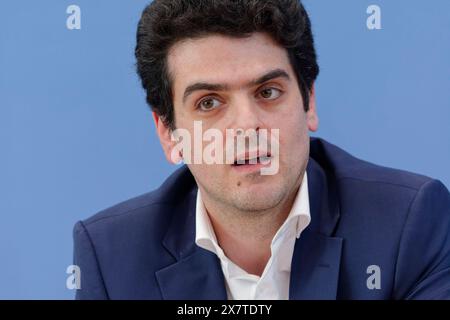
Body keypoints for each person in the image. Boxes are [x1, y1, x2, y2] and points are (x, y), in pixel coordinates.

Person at [73, 0, 450, 299]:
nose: (247, 125)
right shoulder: (111, 257)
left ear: (309, 103)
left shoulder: (408, 223)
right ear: (170, 134)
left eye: (268, 93)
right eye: (208, 103)